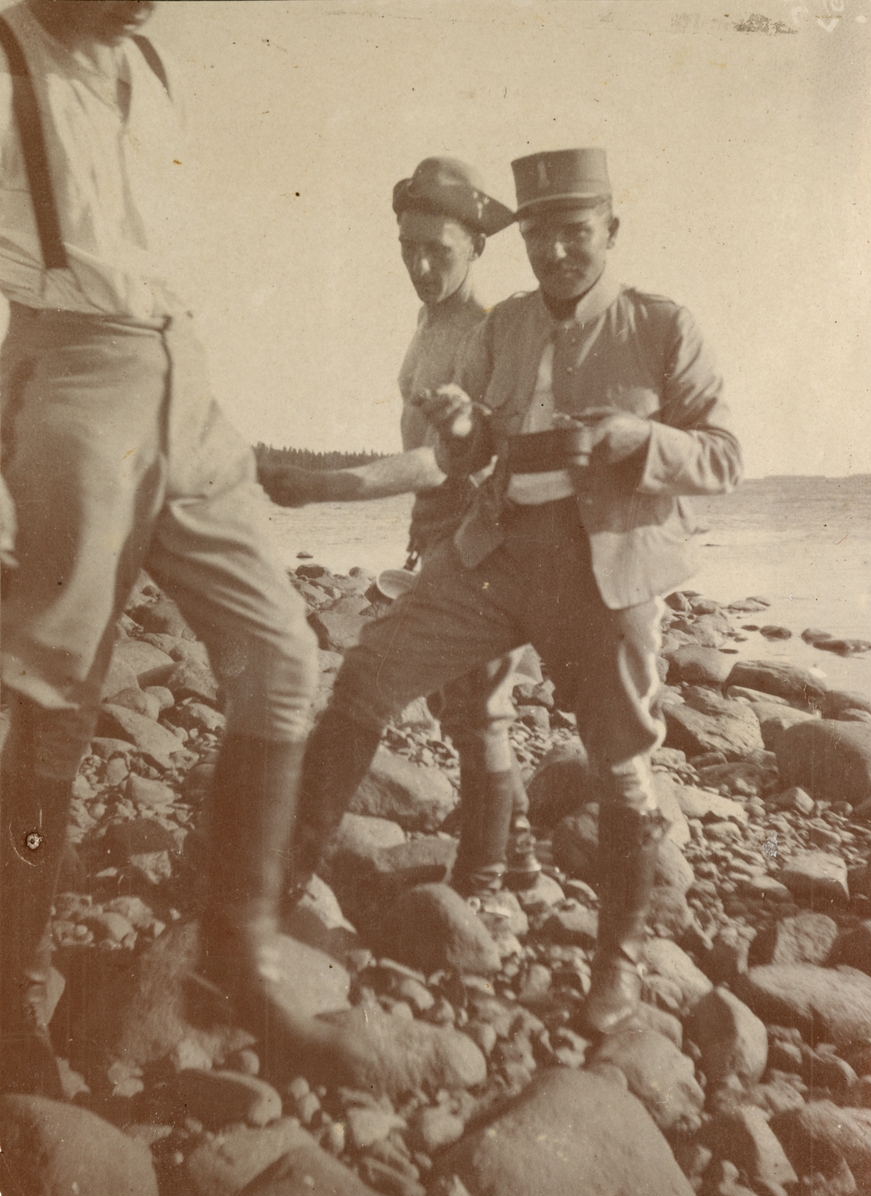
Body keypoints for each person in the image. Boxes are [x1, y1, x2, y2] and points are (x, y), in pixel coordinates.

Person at [289, 147, 742, 1038]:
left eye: (575, 233)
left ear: (610, 230)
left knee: (620, 763)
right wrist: (464, 428)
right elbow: (476, 452)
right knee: (369, 674)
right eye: (539, 237)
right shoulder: (504, 325)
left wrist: (636, 438)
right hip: (494, 551)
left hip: (605, 564)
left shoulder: (661, 324)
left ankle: (615, 961)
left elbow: (723, 457)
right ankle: (277, 890)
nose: (556, 252)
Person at [0, 0, 365, 1096]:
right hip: (74, 376)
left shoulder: (151, 65)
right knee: (54, 694)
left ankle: (238, 958)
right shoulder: (9, 57)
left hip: (184, 378)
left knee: (284, 654)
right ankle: (9, 997)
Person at [263, 157, 541, 897]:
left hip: (481, 540)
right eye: (407, 248)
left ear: (476, 245)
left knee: (458, 705)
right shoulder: (431, 319)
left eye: (437, 250)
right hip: (438, 538)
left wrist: (322, 487)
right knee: (467, 707)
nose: (420, 266)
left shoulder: (483, 333)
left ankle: (479, 880)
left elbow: (435, 464)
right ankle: (513, 857)